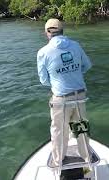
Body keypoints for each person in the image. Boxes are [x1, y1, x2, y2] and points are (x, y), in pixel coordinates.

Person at [37, 19, 92, 167]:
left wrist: (58, 81)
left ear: (47, 33)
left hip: (61, 99)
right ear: (62, 30)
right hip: (80, 95)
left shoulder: (43, 52)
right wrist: (74, 75)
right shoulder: (76, 45)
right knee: (81, 128)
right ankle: (86, 157)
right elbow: (87, 66)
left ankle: (59, 161)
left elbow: (44, 81)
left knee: (59, 132)